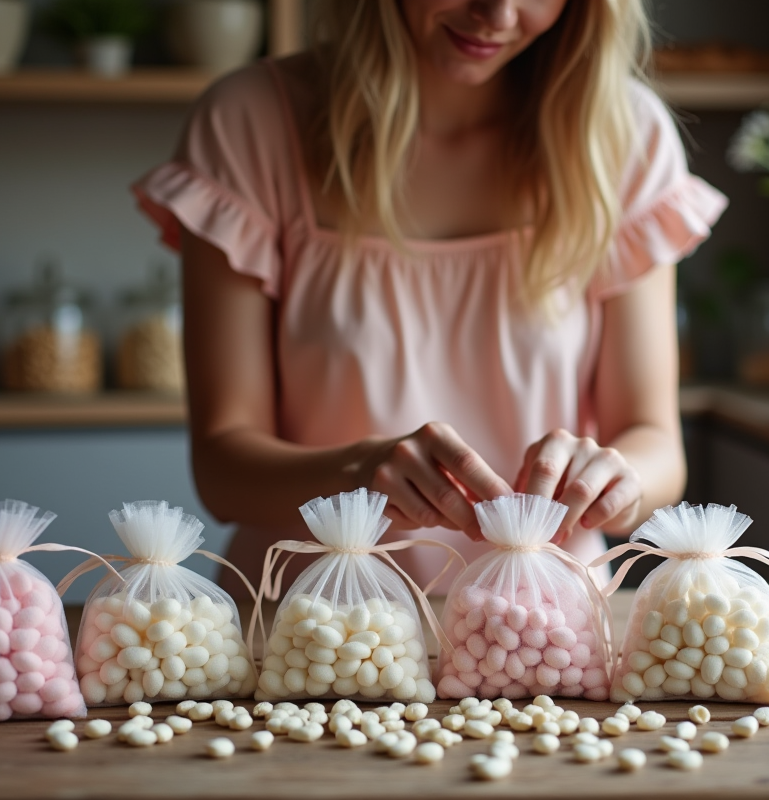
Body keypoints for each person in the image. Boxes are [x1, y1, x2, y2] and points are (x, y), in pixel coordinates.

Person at [132, 0, 726, 598]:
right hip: (308, 634)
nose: (497, 13)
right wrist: (357, 473)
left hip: (545, 636)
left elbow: (654, 443)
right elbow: (222, 472)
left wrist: (616, 480)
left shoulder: (624, 134)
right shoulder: (249, 122)